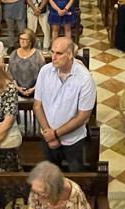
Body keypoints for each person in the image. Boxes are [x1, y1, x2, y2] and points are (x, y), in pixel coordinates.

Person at [33, 38, 97, 172]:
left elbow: (83, 116)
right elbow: (38, 105)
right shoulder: (45, 71)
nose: (53, 57)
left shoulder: (85, 78)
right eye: (52, 52)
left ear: (70, 54)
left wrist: (56, 134)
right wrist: (49, 134)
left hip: (73, 140)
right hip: (47, 136)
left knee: (75, 177)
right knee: (50, 178)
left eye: (59, 53)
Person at [8, 28, 45, 99]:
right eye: (21, 39)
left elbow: (43, 75)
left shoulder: (38, 55)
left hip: (36, 92)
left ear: (31, 41)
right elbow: (10, 75)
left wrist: (34, 88)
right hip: (17, 91)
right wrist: (18, 88)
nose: (22, 41)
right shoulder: (14, 54)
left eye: (25, 39)